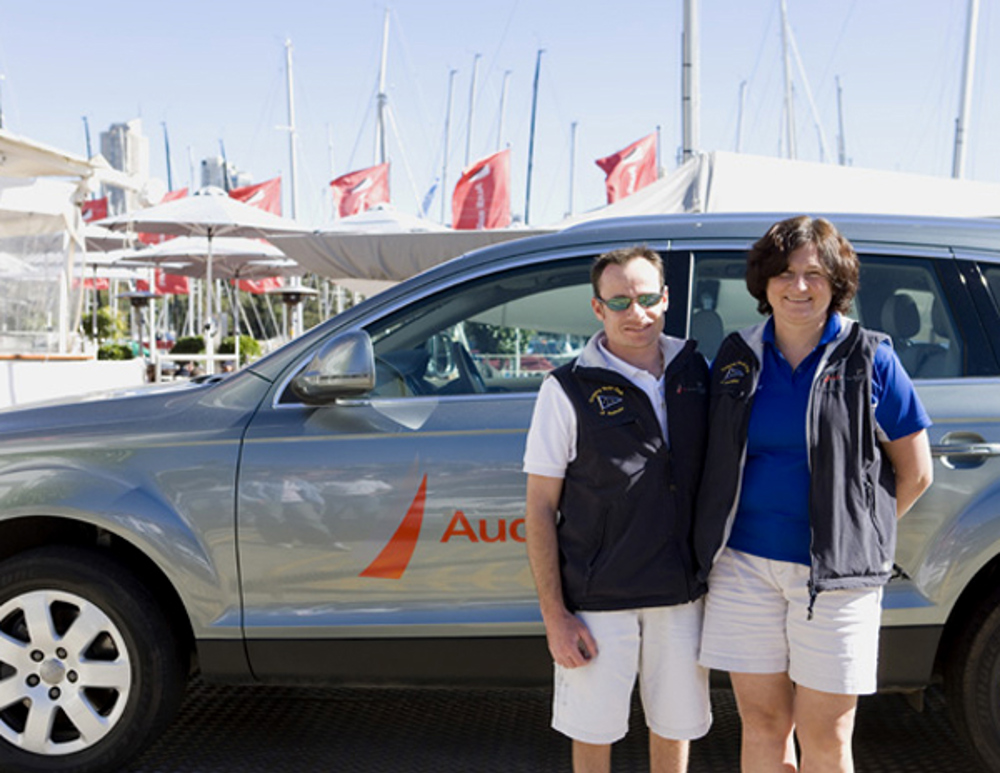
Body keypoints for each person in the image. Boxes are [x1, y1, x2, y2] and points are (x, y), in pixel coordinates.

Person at [694, 216, 934, 773]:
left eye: (813, 273)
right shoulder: (737, 356)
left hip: (836, 578)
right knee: (763, 725)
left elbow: (915, 472)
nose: (797, 286)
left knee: (827, 735)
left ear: (837, 282)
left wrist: (850, 534)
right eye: (783, 272)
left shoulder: (870, 357)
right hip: (743, 568)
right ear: (764, 281)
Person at [524, 245, 712, 773]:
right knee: (593, 735)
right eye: (621, 301)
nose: (638, 313)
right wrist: (555, 617)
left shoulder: (696, 370)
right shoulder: (565, 389)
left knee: (675, 731)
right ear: (597, 308)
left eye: (648, 297)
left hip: (681, 595)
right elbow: (539, 508)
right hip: (597, 601)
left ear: (667, 298)